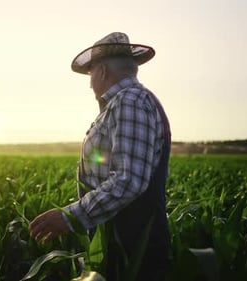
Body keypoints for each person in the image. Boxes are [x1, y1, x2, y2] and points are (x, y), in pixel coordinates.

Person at [30, 32, 172, 280]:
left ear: (103, 72)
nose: (89, 82)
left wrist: (69, 217)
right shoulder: (121, 104)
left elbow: (129, 180)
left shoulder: (130, 102)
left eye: (90, 73)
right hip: (119, 244)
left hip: (133, 249)